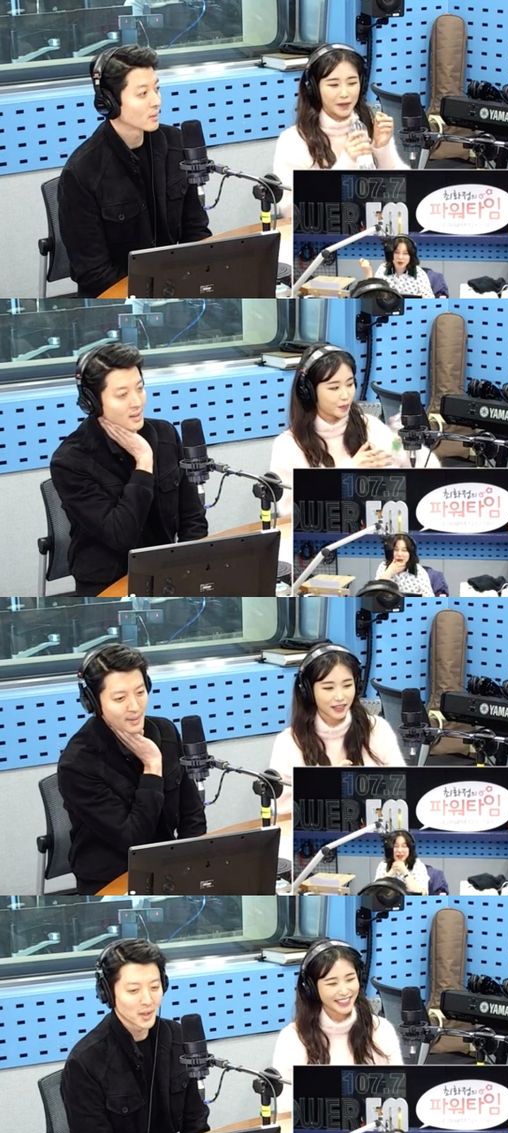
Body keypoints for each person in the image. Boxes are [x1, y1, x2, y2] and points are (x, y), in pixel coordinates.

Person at [50, 343, 208, 595]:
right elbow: (120, 536)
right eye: (122, 395)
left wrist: (190, 572)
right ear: (92, 401)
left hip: (166, 575)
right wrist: (144, 462)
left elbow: (193, 519)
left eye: (140, 388)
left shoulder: (165, 435)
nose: (136, 402)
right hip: (106, 584)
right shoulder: (70, 461)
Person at [58, 44, 210, 297]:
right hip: (117, 298)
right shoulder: (82, 173)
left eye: (157, 89)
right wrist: (153, 293)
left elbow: (196, 230)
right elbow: (94, 274)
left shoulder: (176, 143)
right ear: (108, 102)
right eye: (142, 94)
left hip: (175, 289)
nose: (156, 101)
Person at [61, 939, 209, 1133]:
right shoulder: (84, 1063)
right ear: (108, 993)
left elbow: (195, 1127)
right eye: (133, 990)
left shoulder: (177, 1038)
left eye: (155, 987)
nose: (148, 1000)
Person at [57, 644, 206, 893]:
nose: (135, 706)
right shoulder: (78, 764)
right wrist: (152, 766)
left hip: (168, 870)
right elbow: (134, 841)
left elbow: (192, 816)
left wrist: (191, 868)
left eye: (140, 692)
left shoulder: (165, 732)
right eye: (120, 698)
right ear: (93, 702)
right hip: (110, 879)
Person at [270, 345, 440, 514]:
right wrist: (349, 473)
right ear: (309, 391)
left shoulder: (371, 426)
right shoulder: (289, 445)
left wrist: (409, 447)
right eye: (334, 388)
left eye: (350, 384)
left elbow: (427, 467)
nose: (346, 395)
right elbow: (290, 511)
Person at [272, 44, 406, 216]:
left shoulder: (368, 126)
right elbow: (292, 211)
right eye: (334, 85)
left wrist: (382, 150)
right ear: (313, 88)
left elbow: (402, 194)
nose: (345, 93)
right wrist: (347, 162)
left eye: (352, 83)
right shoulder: (293, 141)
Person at [270, 643, 406, 804]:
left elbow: (404, 792)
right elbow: (280, 809)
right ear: (308, 690)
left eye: (347, 685)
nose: (340, 697)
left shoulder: (377, 729)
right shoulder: (289, 742)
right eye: (328, 688)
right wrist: (328, 788)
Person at [272, 939, 403, 1098]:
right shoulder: (293, 1038)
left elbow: (398, 1097)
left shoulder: (381, 1030)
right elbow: (285, 1105)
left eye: (350, 979)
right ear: (311, 988)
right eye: (332, 983)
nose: (344, 991)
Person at [360, 237, 435, 298]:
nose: (400, 257)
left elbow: (430, 300)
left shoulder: (419, 273)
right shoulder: (383, 269)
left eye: (405, 253)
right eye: (396, 252)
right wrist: (368, 273)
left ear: (411, 256)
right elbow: (373, 297)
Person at [374, 830, 429, 895]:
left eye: (404, 846)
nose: (400, 850)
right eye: (396, 846)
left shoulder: (418, 865)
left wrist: (404, 871)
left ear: (410, 849)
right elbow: (375, 892)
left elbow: (422, 894)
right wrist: (391, 872)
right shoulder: (383, 865)